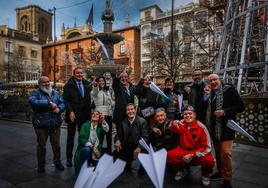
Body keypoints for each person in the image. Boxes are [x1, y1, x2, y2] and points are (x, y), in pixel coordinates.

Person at [206, 74, 245, 188]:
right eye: (210, 81)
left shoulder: (229, 90)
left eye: (215, 80)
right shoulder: (211, 93)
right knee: (218, 153)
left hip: (227, 128)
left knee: (226, 153)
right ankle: (220, 171)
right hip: (214, 129)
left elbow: (241, 107)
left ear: (220, 80)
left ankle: (227, 179)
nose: (213, 82)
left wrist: (225, 111)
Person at [167, 105, 215, 186]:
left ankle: (205, 176)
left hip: (197, 153)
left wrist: (192, 155)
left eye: (190, 113)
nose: (188, 116)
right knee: (170, 155)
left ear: (195, 115)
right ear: (183, 115)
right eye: (185, 114)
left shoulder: (201, 127)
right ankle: (181, 171)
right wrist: (173, 123)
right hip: (184, 151)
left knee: (209, 160)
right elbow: (172, 128)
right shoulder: (181, 123)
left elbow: (207, 148)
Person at [28, 76, 65, 172]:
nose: (47, 83)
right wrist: (49, 103)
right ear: (40, 84)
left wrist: (60, 108)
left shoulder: (56, 93)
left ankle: (58, 163)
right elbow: (33, 102)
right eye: (44, 82)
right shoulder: (35, 92)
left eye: (48, 81)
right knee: (41, 146)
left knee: (56, 145)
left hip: (55, 124)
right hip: (41, 124)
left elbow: (62, 103)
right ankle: (41, 165)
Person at [63, 67, 92, 167]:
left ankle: (81, 155)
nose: (80, 74)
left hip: (84, 115)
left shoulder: (87, 84)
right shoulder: (69, 85)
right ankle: (69, 158)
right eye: (77, 73)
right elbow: (66, 100)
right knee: (70, 137)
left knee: (83, 136)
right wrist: (70, 111)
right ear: (74, 74)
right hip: (73, 115)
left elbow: (90, 99)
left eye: (81, 73)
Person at [113, 103, 149, 173]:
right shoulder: (123, 122)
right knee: (115, 154)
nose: (130, 111)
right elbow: (118, 135)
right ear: (126, 112)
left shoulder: (142, 122)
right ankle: (126, 165)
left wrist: (139, 148)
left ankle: (142, 170)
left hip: (138, 146)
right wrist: (117, 140)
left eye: (132, 109)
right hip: (127, 147)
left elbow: (146, 138)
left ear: (135, 110)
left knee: (141, 170)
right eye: (128, 110)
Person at [73, 111, 109, 177]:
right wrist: (92, 147)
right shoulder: (85, 125)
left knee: (96, 174)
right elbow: (82, 138)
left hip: (96, 151)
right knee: (86, 150)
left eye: (97, 114)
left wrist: (103, 120)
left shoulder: (100, 127)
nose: (94, 115)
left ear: (99, 117)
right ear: (91, 116)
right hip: (86, 149)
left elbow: (107, 130)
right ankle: (83, 170)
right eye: (93, 114)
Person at [91, 76, 114, 154]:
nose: (102, 82)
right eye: (100, 81)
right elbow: (95, 91)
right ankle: (98, 152)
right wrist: (95, 86)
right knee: (100, 135)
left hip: (108, 115)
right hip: (99, 116)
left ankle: (109, 152)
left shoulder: (107, 91)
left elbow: (111, 103)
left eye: (103, 81)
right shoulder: (95, 91)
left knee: (109, 136)